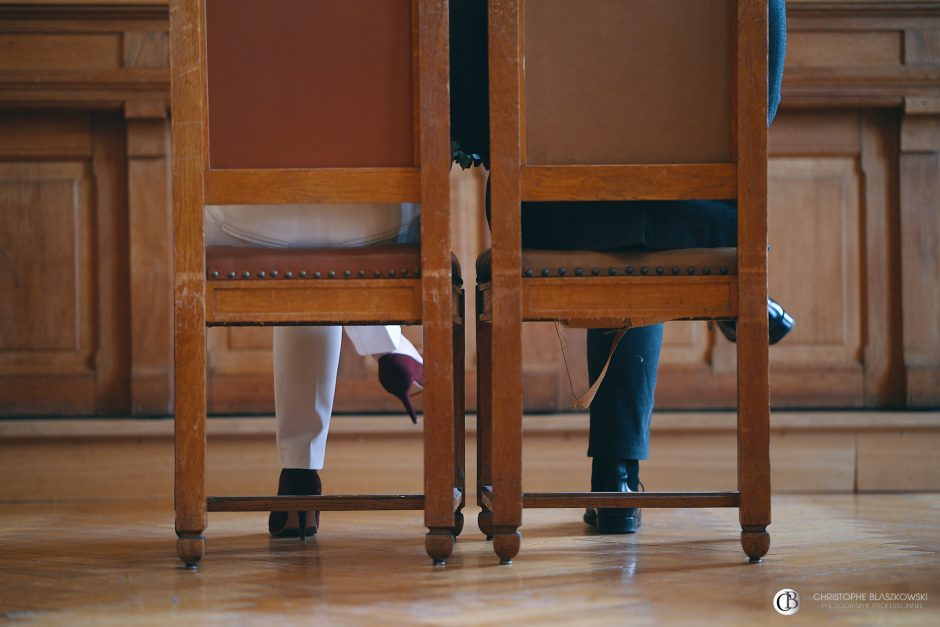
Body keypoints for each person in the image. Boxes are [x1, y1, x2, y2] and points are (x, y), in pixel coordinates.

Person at [450, 0, 792, 534]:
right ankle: (618, 475)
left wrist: (481, 145)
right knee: (644, 228)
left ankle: (611, 480)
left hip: (546, 214)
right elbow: (760, 96)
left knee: (614, 221)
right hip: (699, 214)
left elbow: (470, 92)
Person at [205, 202, 425, 537]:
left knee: (298, 234)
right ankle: (388, 345)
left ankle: (299, 477)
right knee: (334, 221)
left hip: (255, 225)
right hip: (371, 224)